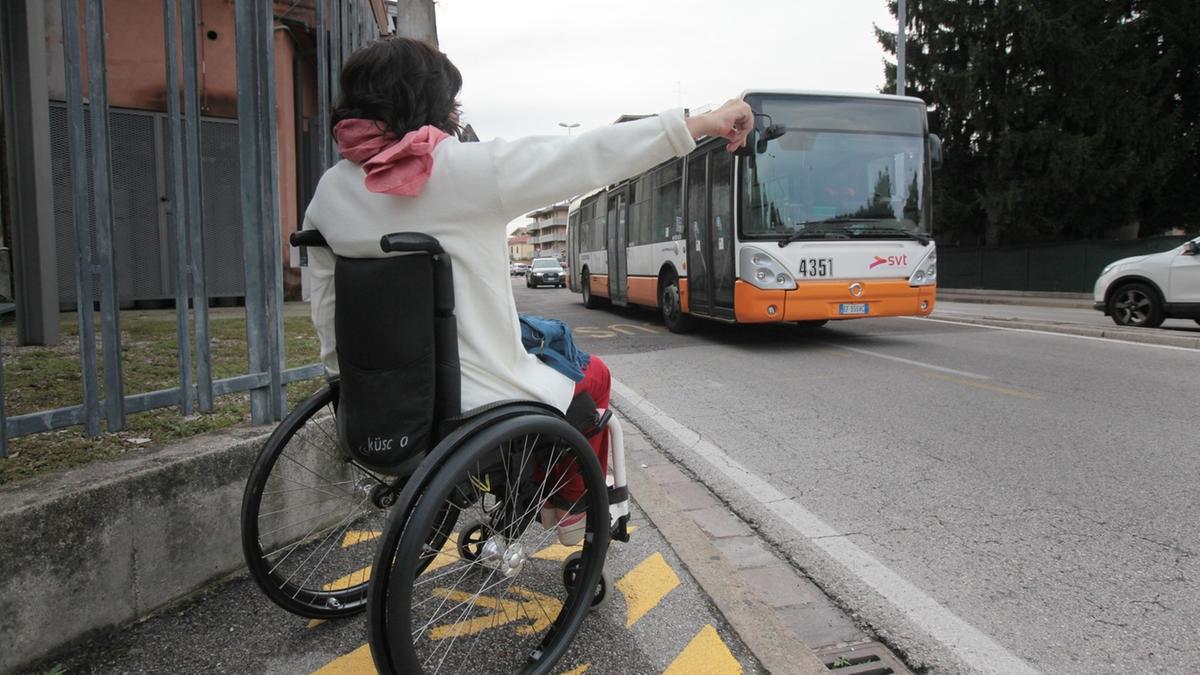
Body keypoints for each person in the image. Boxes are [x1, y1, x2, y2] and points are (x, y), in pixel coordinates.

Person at [303, 37, 751, 543]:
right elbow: (586, 154)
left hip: (383, 395)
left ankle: (535, 484)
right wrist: (700, 122)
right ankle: (570, 506)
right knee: (593, 375)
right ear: (427, 102)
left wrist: (342, 377)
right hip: (478, 396)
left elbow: (324, 298)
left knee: (546, 336)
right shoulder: (459, 171)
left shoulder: (331, 190)